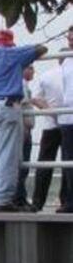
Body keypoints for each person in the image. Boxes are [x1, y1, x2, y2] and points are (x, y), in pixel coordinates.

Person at [0, 29, 47, 212]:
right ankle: (3, 199)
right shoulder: (14, 54)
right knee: (9, 156)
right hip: (8, 107)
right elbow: (41, 49)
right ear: (10, 43)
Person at [31, 28, 70, 211]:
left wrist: (50, 111)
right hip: (68, 120)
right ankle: (66, 200)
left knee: (45, 163)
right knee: (68, 163)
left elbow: (36, 98)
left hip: (50, 123)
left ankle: (37, 201)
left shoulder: (47, 75)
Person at [13, 65, 36, 209]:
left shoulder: (23, 84)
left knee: (23, 165)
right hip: (23, 130)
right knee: (21, 165)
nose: (33, 71)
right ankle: (19, 198)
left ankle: (20, 197)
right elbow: (21, 107)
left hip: (25, 129)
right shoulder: (20, 84)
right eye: (30, 68)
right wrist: (24, 128)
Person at [58, 26, 73, 214]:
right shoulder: (67, 60)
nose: (70, 40)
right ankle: (70, 199)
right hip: (67, 116)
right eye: (69, 37)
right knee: (68, 161)